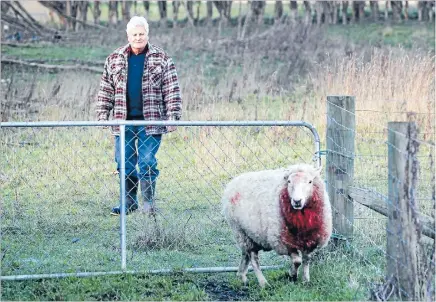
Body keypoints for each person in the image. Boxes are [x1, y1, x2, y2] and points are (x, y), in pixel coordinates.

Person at [96, 16, 182, 216]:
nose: (138, 37)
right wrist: (102, 114)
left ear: (147, 34)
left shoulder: (162, 58)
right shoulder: (114, 58)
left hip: (150, 122)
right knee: (123, 162)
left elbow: (171, 89)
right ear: (128, 36)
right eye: (134, 34)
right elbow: (105, 89)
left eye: (141, 34)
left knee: (147, 161)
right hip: (122, 121)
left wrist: (173, 116)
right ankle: (129, 202)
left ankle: (148, 204)